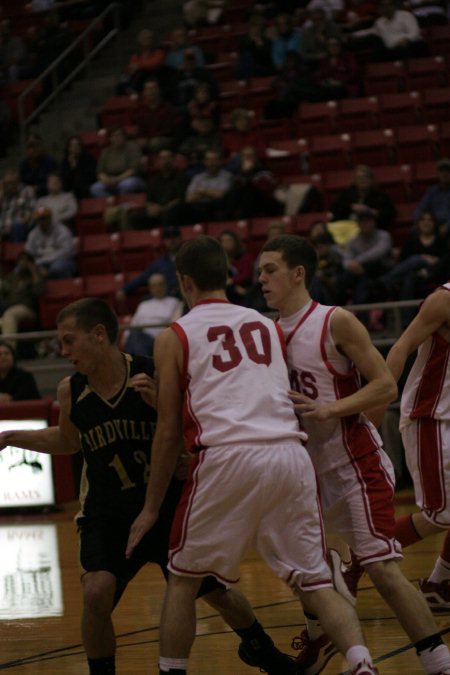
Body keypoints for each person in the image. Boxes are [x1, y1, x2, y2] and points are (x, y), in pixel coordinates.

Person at [0, 297, 301, 675]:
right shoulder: (70, 391)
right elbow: (69, 441)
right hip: (106, 514)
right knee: (95, 593)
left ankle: (261, 649)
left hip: (166, 507)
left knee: (216, 594)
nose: (63, 351)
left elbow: (196, 426)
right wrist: (12, 436)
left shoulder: (151, 373)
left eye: (68, 340)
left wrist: (168, 417)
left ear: (99, 335)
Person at [126, 235, 381, 675]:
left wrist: (150, 509)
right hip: (288, 454)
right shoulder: (267, 325)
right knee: (317, 581)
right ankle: (362, 665)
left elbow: (168, 432)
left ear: (184, 281)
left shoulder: (175, 335)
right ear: (227, 276)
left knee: (184, 579)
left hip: (227, 456)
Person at [258, 234, 450, 675]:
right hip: (301, 471)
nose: (262, 278)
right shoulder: (264, 334)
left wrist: (331, 408)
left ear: (298, 273)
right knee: (293, 566)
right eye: (261, 272)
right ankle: (327, 635)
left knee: (382, 569)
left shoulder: (335, 321)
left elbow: (384, 384)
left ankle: (438, 662)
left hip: (352, 464)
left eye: (270, 269)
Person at [374, 282, 450, 614]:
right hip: (432, 417)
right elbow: (401, 347)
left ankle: (439, 585)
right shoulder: (443, 300)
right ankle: (360, 557)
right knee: (440, 514)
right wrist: (378, 401)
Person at [115, 226, 183, 312]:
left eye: (174, 237)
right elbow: (142, 278)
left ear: (180, 238)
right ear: (164, 241)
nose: (172, 240)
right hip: (163, 301)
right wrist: (125, 289)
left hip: (182, 301)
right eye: (168, 238)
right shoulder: (159, 263)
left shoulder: (188, 259)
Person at [123, 273, 183, 357]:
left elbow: (175, 324)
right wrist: (125, 335)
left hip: (158, 339)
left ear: (165, 285)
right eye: (154, 286)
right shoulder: (143, 304)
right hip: (139, 336)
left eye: (160, 284)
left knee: (135, 340)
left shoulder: (175, 302)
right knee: (134, 337)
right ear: (150, 288)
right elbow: (134, 323)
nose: (157, 288)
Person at [0, 250, 45, 348]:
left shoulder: (35, 276)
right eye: (20, 260)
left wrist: (33, 272)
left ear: (30, 263)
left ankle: (9, 350)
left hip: (27, 309)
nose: (22, 263)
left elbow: (38, 292)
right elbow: (3, 292)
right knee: (6, 317)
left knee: (10, 314)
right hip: (8, 307)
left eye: (25, 260)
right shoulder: (12, 277)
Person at [90, 126, 147, 199]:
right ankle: (111, 204)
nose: (116, 138)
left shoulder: (132, 147)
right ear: (110, 138)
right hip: (111, 180)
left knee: (126, 185)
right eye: (113, 136)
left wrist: (117, 179)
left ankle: (123, 205)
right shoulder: (106, 152)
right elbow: (100, 171)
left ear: (124, 136)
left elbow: (134, 169)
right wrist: (106, 179)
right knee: (95, 188)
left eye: (119, 135)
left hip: (130, 178)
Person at [24, 205, 77, 279]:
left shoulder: (62, 230)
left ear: (50, 218)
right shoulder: (33, 234)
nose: (42, 221)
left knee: (56, 268)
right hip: (41, 264)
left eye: (44, 218)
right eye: (40, 219)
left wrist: (42, 262)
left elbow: (66, 253)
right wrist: (33, 265)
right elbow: (28, 252)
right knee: (21, 270)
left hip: (63, 261)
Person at [414, 158, 450, 240]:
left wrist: (448, 225)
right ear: (438, 174)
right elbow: (421, 208)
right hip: (433, 225)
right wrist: (420, 222)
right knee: (414, 230)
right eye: (442, 171)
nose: (445, 174)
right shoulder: (432, 191)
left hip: (448, 225)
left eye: (448, 171)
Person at [0, 169, 36, 242]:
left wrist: (24, 220)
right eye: (7, 184)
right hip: (3, 227)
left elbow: (33, 212)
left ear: (18, 182)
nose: (10, 186)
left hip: (21, 226)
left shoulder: (27, 191)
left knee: (16, 226)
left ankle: (17, 252)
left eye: (13, 183)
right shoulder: (3, 195)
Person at [60, 134, 97, 200]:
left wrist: (76, 168)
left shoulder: (88, 158)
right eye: (72, 145)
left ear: (81, 147)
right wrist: (72, 168)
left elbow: (90, 177)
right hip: (70, 189)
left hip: (86, 186)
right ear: (68, 148)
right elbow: (65, 180)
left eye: (77, 145)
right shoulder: (65, 162)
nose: (75, 147)